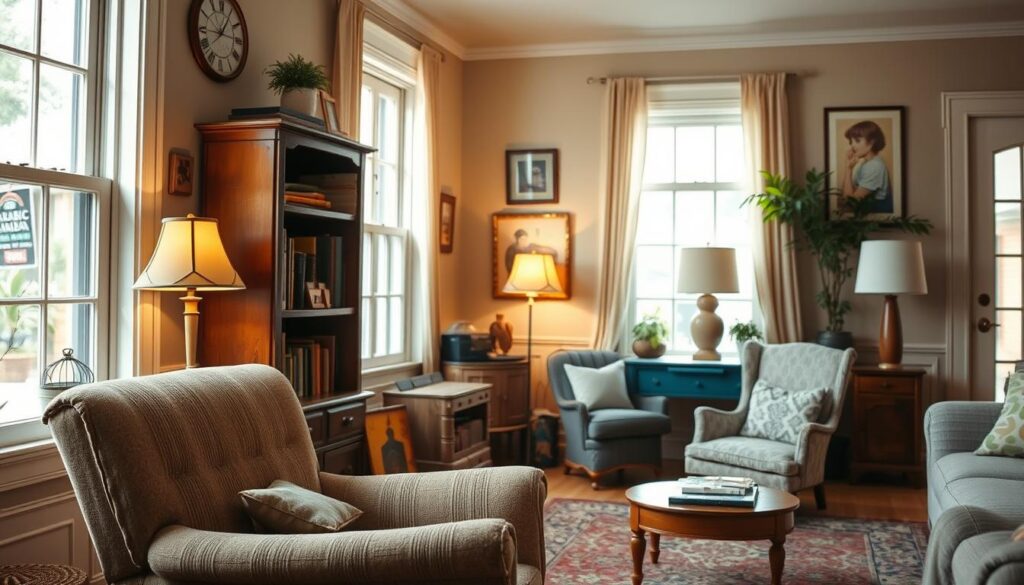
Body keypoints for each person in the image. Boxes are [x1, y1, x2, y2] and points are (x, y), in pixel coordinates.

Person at [840, 120, 893, 213]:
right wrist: (848, 168)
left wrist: (848, 169)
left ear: (871, 142)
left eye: (857, 140)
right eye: (851, 141)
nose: (852, 145)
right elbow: (846, 195)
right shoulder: (864, 163)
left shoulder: (875, 166)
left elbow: (850, 204)